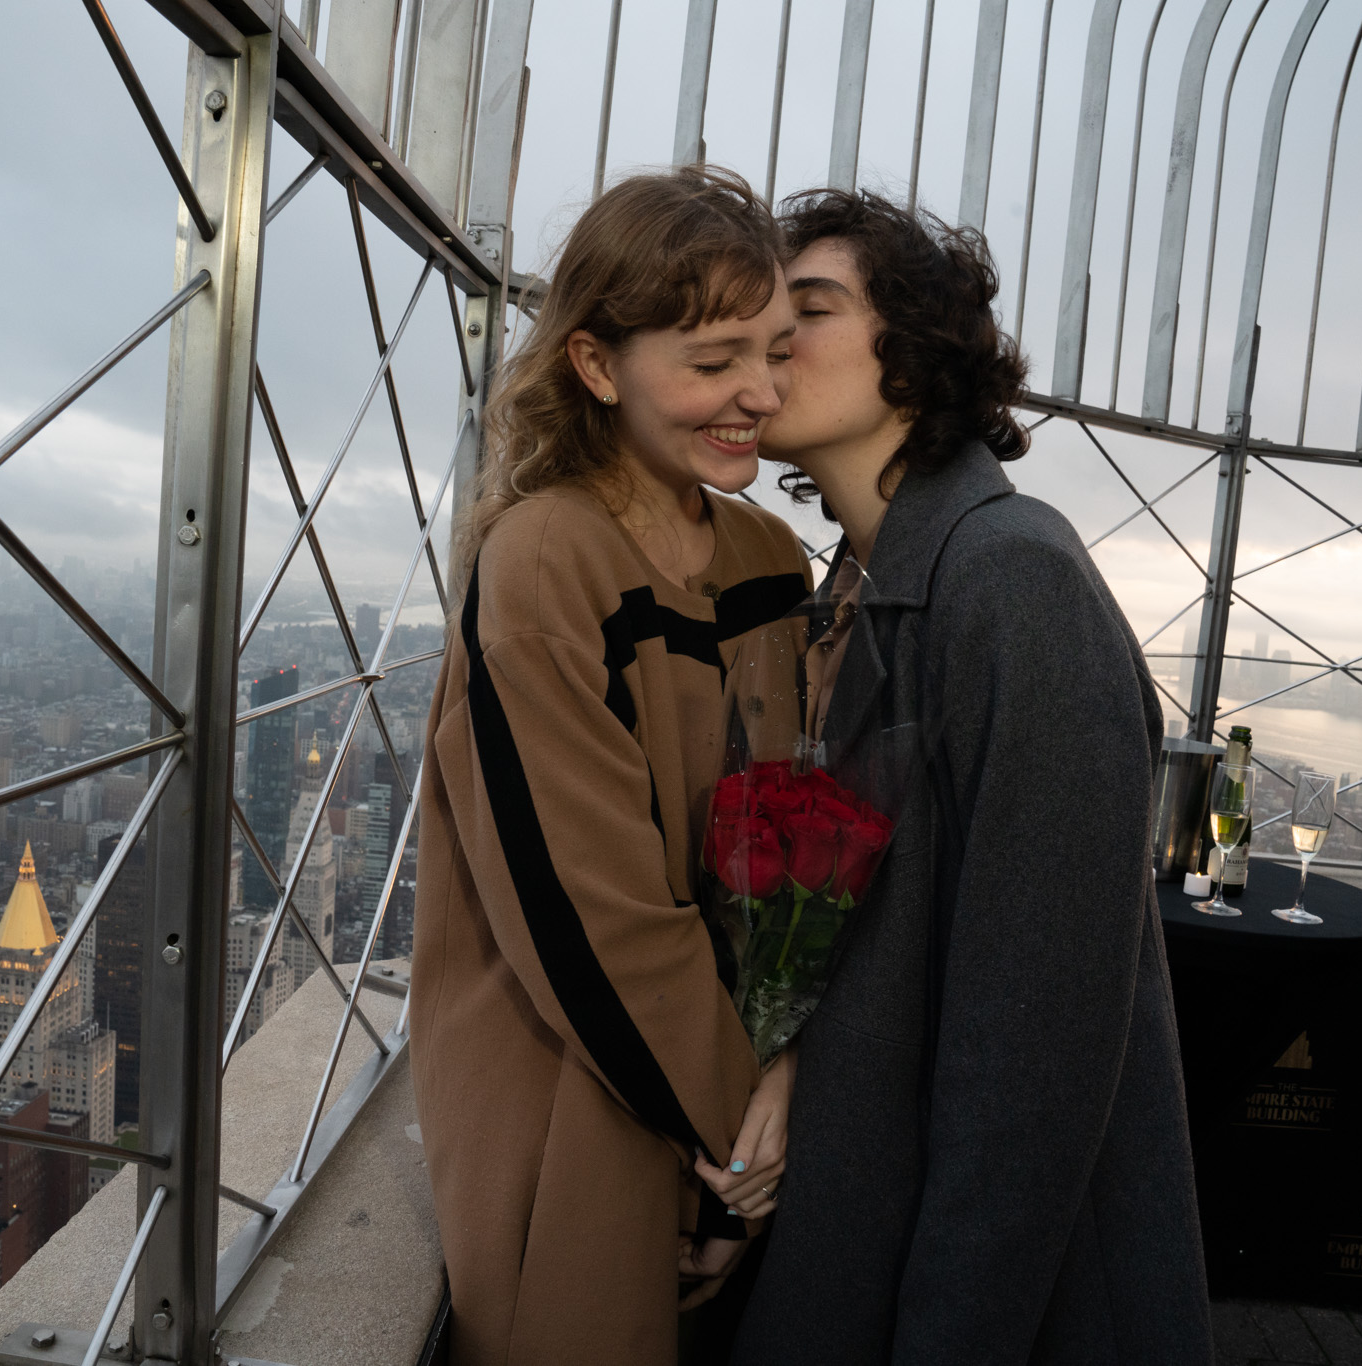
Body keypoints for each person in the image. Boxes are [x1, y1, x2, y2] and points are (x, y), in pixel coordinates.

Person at [732, 189, 1212, 1363]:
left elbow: (1031, 1063)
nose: (768, 338)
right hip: (860, 1215)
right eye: (757, 313)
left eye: (812, 305)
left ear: (917, 351)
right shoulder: (857, 585)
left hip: (991, 1294)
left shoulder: (1012, 581)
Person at [410, 166, 810, 1366]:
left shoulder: (764, 551)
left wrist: (768, 1096)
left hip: (727, 1105)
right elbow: (589, 917)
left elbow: (788, 844)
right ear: (595, 364)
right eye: (711, 359)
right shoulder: (543, 563)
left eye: (775, 350)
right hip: (574, 1105)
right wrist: (741, 1141)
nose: (757, 393)